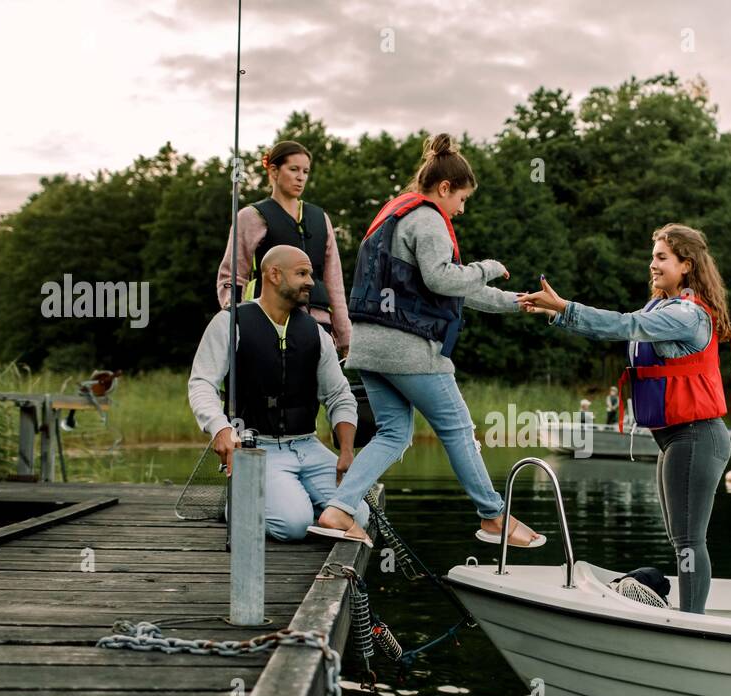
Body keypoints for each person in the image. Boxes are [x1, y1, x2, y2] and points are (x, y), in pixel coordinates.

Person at [311, 133, 545, 549]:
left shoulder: (392, 216)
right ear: (444, 189)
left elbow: (451, 288)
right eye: (462, 199)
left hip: (370, 348)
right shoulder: (430, 219)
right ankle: (493, 515)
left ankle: (339, 508)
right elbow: (444, 277)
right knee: (457, 429)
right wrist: (488, 266)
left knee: (393, 434)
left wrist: (518, 303)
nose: (461, 208)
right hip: (409, 350)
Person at [520, 224, 731, 613]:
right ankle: (689, 615)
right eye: (653, 256)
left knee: (689, 540)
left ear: (686, 266)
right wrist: (560, 314)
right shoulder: (664, 307)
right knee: (680, 539)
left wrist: (565, 308)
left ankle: (691, 623)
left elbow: (624, 325)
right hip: (673, 439)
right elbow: (624, 326)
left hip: (697, 436)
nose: (652, 264)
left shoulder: (687, 316)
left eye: (661, 257)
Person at [189, 245, 371, 544]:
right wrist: (219, 427)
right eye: (302, 273)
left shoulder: (316, 332)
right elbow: (201, 383)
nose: (311, 281)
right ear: (274, 275)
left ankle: (289, 501)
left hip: (309, 446)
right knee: (293, 526)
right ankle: (240, 504)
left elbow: (339, 395)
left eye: (311, 274)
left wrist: (347, 450)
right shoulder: (229, 322)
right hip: (258, 449)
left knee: (359, 514)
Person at [217, 140, 352, 359]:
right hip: (267, 323)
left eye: (306, 171)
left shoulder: (320, 218)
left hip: (319, 326)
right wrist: (235, 320)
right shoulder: (250, 217)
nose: (301, 177)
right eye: (293, 169)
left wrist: (345, 337)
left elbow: (334, 283)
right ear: (273, 171)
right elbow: (232, 276)